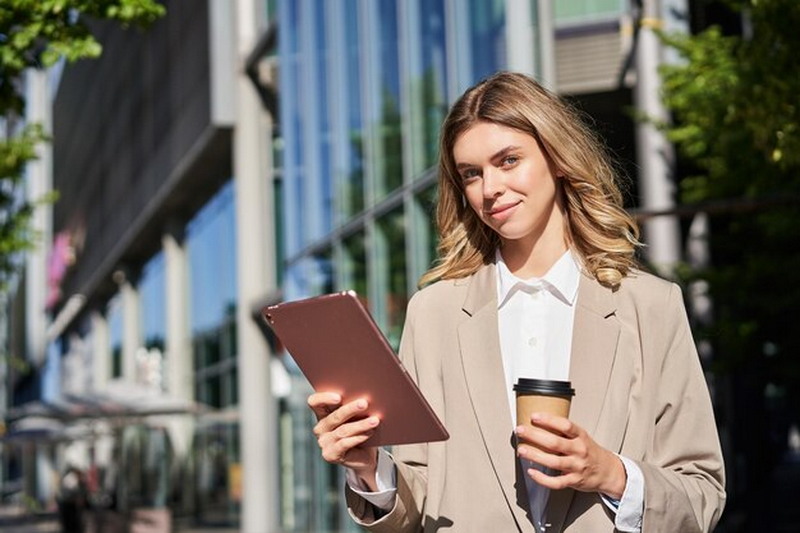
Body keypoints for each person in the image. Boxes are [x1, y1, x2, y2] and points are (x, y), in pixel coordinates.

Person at [308, 71, 725, 532]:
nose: (490, 189)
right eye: (471, 174)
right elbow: (420, 499)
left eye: (508, 161)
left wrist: (611, 474)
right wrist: (370, 468)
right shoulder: (434, 314)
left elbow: (702, 493)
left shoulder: (650, 306)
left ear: (558, 157)